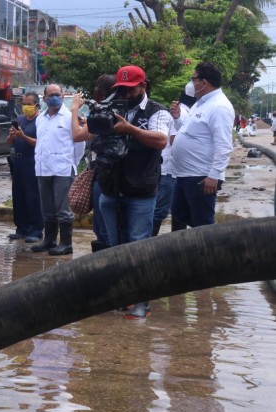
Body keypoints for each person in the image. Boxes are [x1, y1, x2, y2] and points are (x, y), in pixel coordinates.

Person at [98, 65, 171, 319]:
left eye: (131, 90)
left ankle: (142, 300)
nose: (126, 95)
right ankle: (123, 296)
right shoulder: (113, 108)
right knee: (115, 247)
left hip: (141, 190)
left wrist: (130, 130)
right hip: (111, 187)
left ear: (143, 86)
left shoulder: (157, 111)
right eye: (122, 90)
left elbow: (161, 140)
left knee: (138, 246)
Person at [170, 61, 234, 229]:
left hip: (201, 176)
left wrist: (213, 176)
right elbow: (189, 131)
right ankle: (203, 244)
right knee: (179, 213)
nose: (191, 83)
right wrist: (177, 118)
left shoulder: (219, 106)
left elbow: (224, 145)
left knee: (203, 223)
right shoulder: (201, 103)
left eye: (193, 79)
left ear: (204, 82)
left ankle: (211, 251)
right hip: (184, 174)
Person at [31, 84, 85, 255]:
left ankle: (66, 244)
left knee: (63, 209)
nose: (54, 97)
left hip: (63, 169)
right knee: (47, 208)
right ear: (44, 98)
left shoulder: (70, 117)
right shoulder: (40, 119)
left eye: (57, 94)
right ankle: (49, 240)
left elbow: (80, 145)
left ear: (63, 97)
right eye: (51, 94)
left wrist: (71, 163)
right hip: (43, 168)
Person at [71, 74, 116, 252]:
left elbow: (77, 135)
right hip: (117, 173)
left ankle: (105, 263)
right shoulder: (119, 110)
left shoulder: (102, 111)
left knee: (102, 226)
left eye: (97, 89)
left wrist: (74, 109)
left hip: (103, 173)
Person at [152, 89, 196, 236]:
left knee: (178, 209)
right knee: (160, 210)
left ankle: (177, 243)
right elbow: (174, 139)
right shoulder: (183, 113)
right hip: (169, 170)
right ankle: (148, 246)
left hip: (172, 169)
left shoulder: (183, 111)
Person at [6, 91, 42, 243]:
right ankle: (21, 228)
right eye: (24, 104)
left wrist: (23, 137)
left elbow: (40, 143)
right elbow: (9, 142)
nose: (26, 107)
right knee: (18, 195)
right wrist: (13, 136)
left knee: (32, 196)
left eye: (29, 104)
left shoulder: (41, 121)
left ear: (37, 105)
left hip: (32, 161)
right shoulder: (20, 119)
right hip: (18, 161)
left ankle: (35, 230)